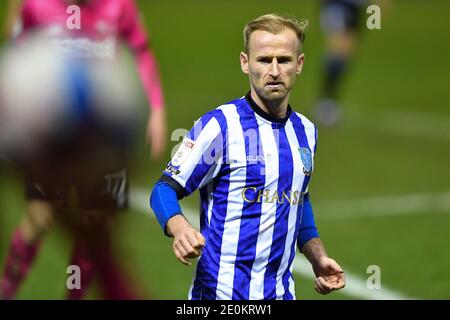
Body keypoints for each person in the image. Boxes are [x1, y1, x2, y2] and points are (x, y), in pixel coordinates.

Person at [150, 13, 345, 300]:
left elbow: (298, 197)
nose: (275, 71)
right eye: (264, 60)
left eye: (284, 60)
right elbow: (163, 189)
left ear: (299, 64)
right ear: (245, 62)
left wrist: (317, 256)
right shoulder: (220, 127)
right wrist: (178, 227)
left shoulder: (306, 131)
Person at [0, 0, 167, 300]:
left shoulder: (119, 6)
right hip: (43, 122)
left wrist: (156, 109)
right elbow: (17, 49)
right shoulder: (36, 6)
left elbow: (141, 50)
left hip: (108, 128)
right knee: (40, 219)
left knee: (96, 232)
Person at [313, 0, 368, 126]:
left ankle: (329, 101)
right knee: (337, 51)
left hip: (355, 8)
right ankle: (326, 104)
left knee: (346, 55)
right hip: (337, 5)